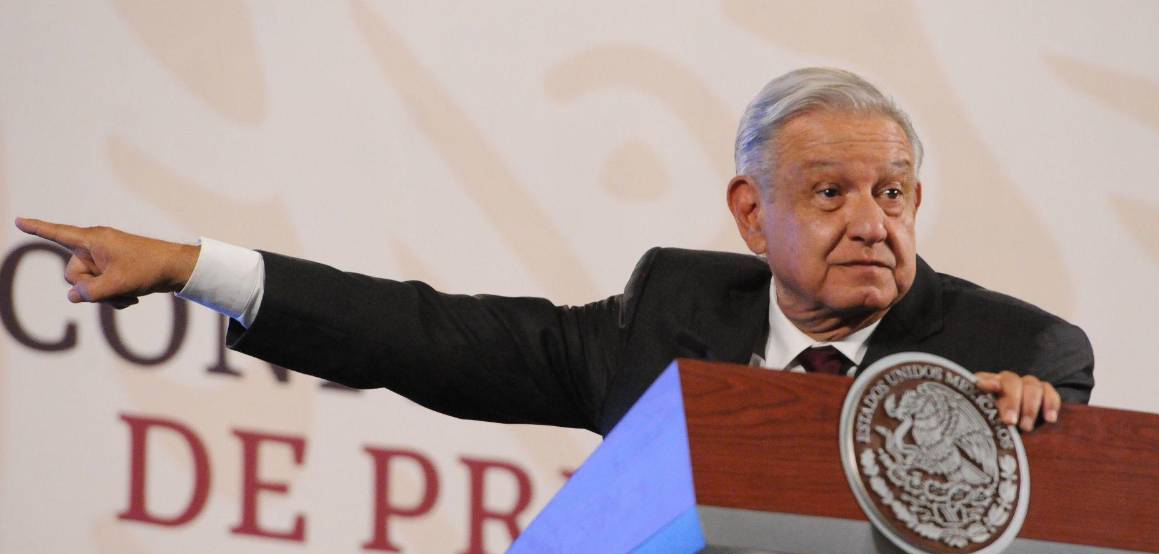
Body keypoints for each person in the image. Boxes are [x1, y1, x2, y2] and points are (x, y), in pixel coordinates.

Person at [13, 67, 1092, 437]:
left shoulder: (1018, 354)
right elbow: (431, 335)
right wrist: (190, 264)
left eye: (892, 193)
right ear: (751, 215)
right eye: (829, 193)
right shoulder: (669, 320)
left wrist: (1031, 447)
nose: (871, 222)